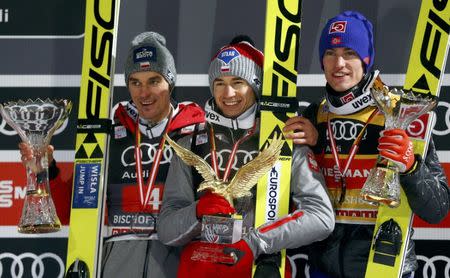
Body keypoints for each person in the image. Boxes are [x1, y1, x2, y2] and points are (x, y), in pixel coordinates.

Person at [20, 31, 205, 278]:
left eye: (153, 81)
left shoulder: (196, 131)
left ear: (169, 83)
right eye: (135, 82)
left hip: (179, 260)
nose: (144, 93)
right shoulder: (107, 131)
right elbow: (73, 212)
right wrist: (46, 171)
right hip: (118, 264)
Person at [283, 11, 450, 278]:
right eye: (330, 53)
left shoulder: (401, 113)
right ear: (321, 62)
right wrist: (313, 147)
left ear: (366, 59)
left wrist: (411, 167)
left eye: (349, 52)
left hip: (386, 267)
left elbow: (438, 209)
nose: (339, 63)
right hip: (323, 269)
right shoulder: (314, 117)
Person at [157, 36, 335, 278]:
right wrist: (198, 211)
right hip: (202, 268)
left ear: (255, 85)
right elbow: (167, 230)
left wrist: (255, 242)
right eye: (219, 82)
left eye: (238, 82)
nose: (228, 93)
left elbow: (321, 217)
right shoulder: (192, 142)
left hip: (260, 267)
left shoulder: (283, 137)